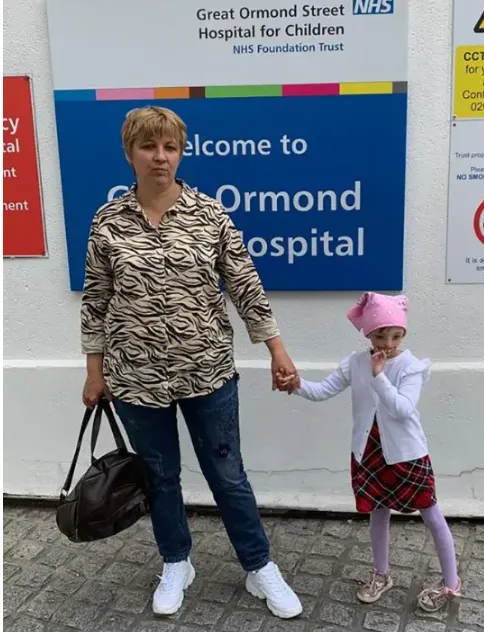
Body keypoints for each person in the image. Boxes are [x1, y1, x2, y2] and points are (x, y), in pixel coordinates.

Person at [80, 105, 302, 619]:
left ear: (181, 153)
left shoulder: (210, 215)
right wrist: (94, 371)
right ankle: (176, 561)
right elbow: (96, 299)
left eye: (170, 147)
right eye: (149, 146)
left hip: (208, 373)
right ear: (130, 153)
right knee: (160, 477)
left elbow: (245, 283)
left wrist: (276, 348)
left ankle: (259, 566)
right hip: (136, 378)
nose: (160, 157)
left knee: (228, 476)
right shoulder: (107, 221)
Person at [277, 292, 462, 613]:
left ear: (403, 334)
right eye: (380, 336)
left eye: (396, 336)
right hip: (369, 452)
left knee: (432, 515)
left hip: (407, 455)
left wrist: (378, 377)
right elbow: (322, 390)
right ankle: (381, 574)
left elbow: (402, 409)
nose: (388, 344)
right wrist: (296, 384)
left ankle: (451, 583)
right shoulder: (355, 363)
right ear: (368, 334)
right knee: (378, 513)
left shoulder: (410, 367)